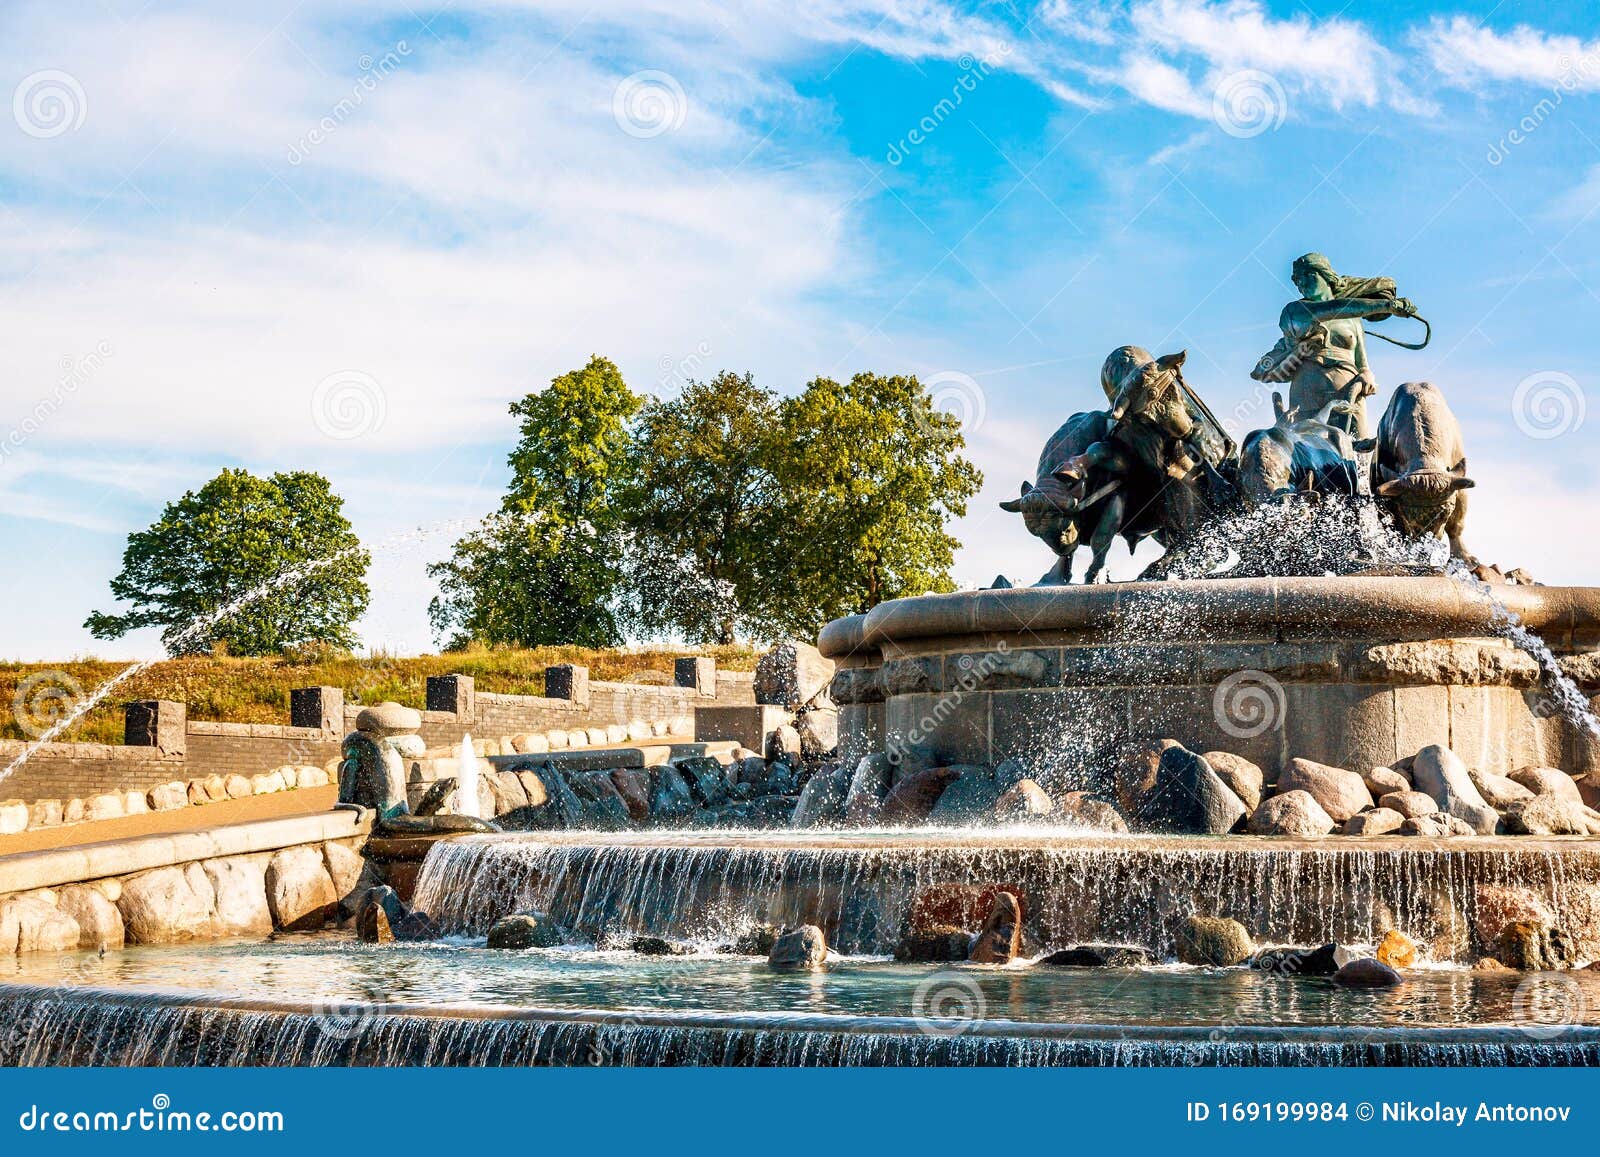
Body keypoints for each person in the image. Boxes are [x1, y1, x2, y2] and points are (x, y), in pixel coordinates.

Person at [1251, 253, 1426, 440]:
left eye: (1306, 276)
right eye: (1296, 280)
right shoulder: (1294, 311)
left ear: (1324, 274)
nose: (1300, 283)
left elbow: (1362, 362)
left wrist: (1367, 375)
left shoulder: (1354, 319)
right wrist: (1386, 305)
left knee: (1357, 452)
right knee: (1308, 450)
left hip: (1349, 393)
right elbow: (1335, 308)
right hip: (1308, 392)